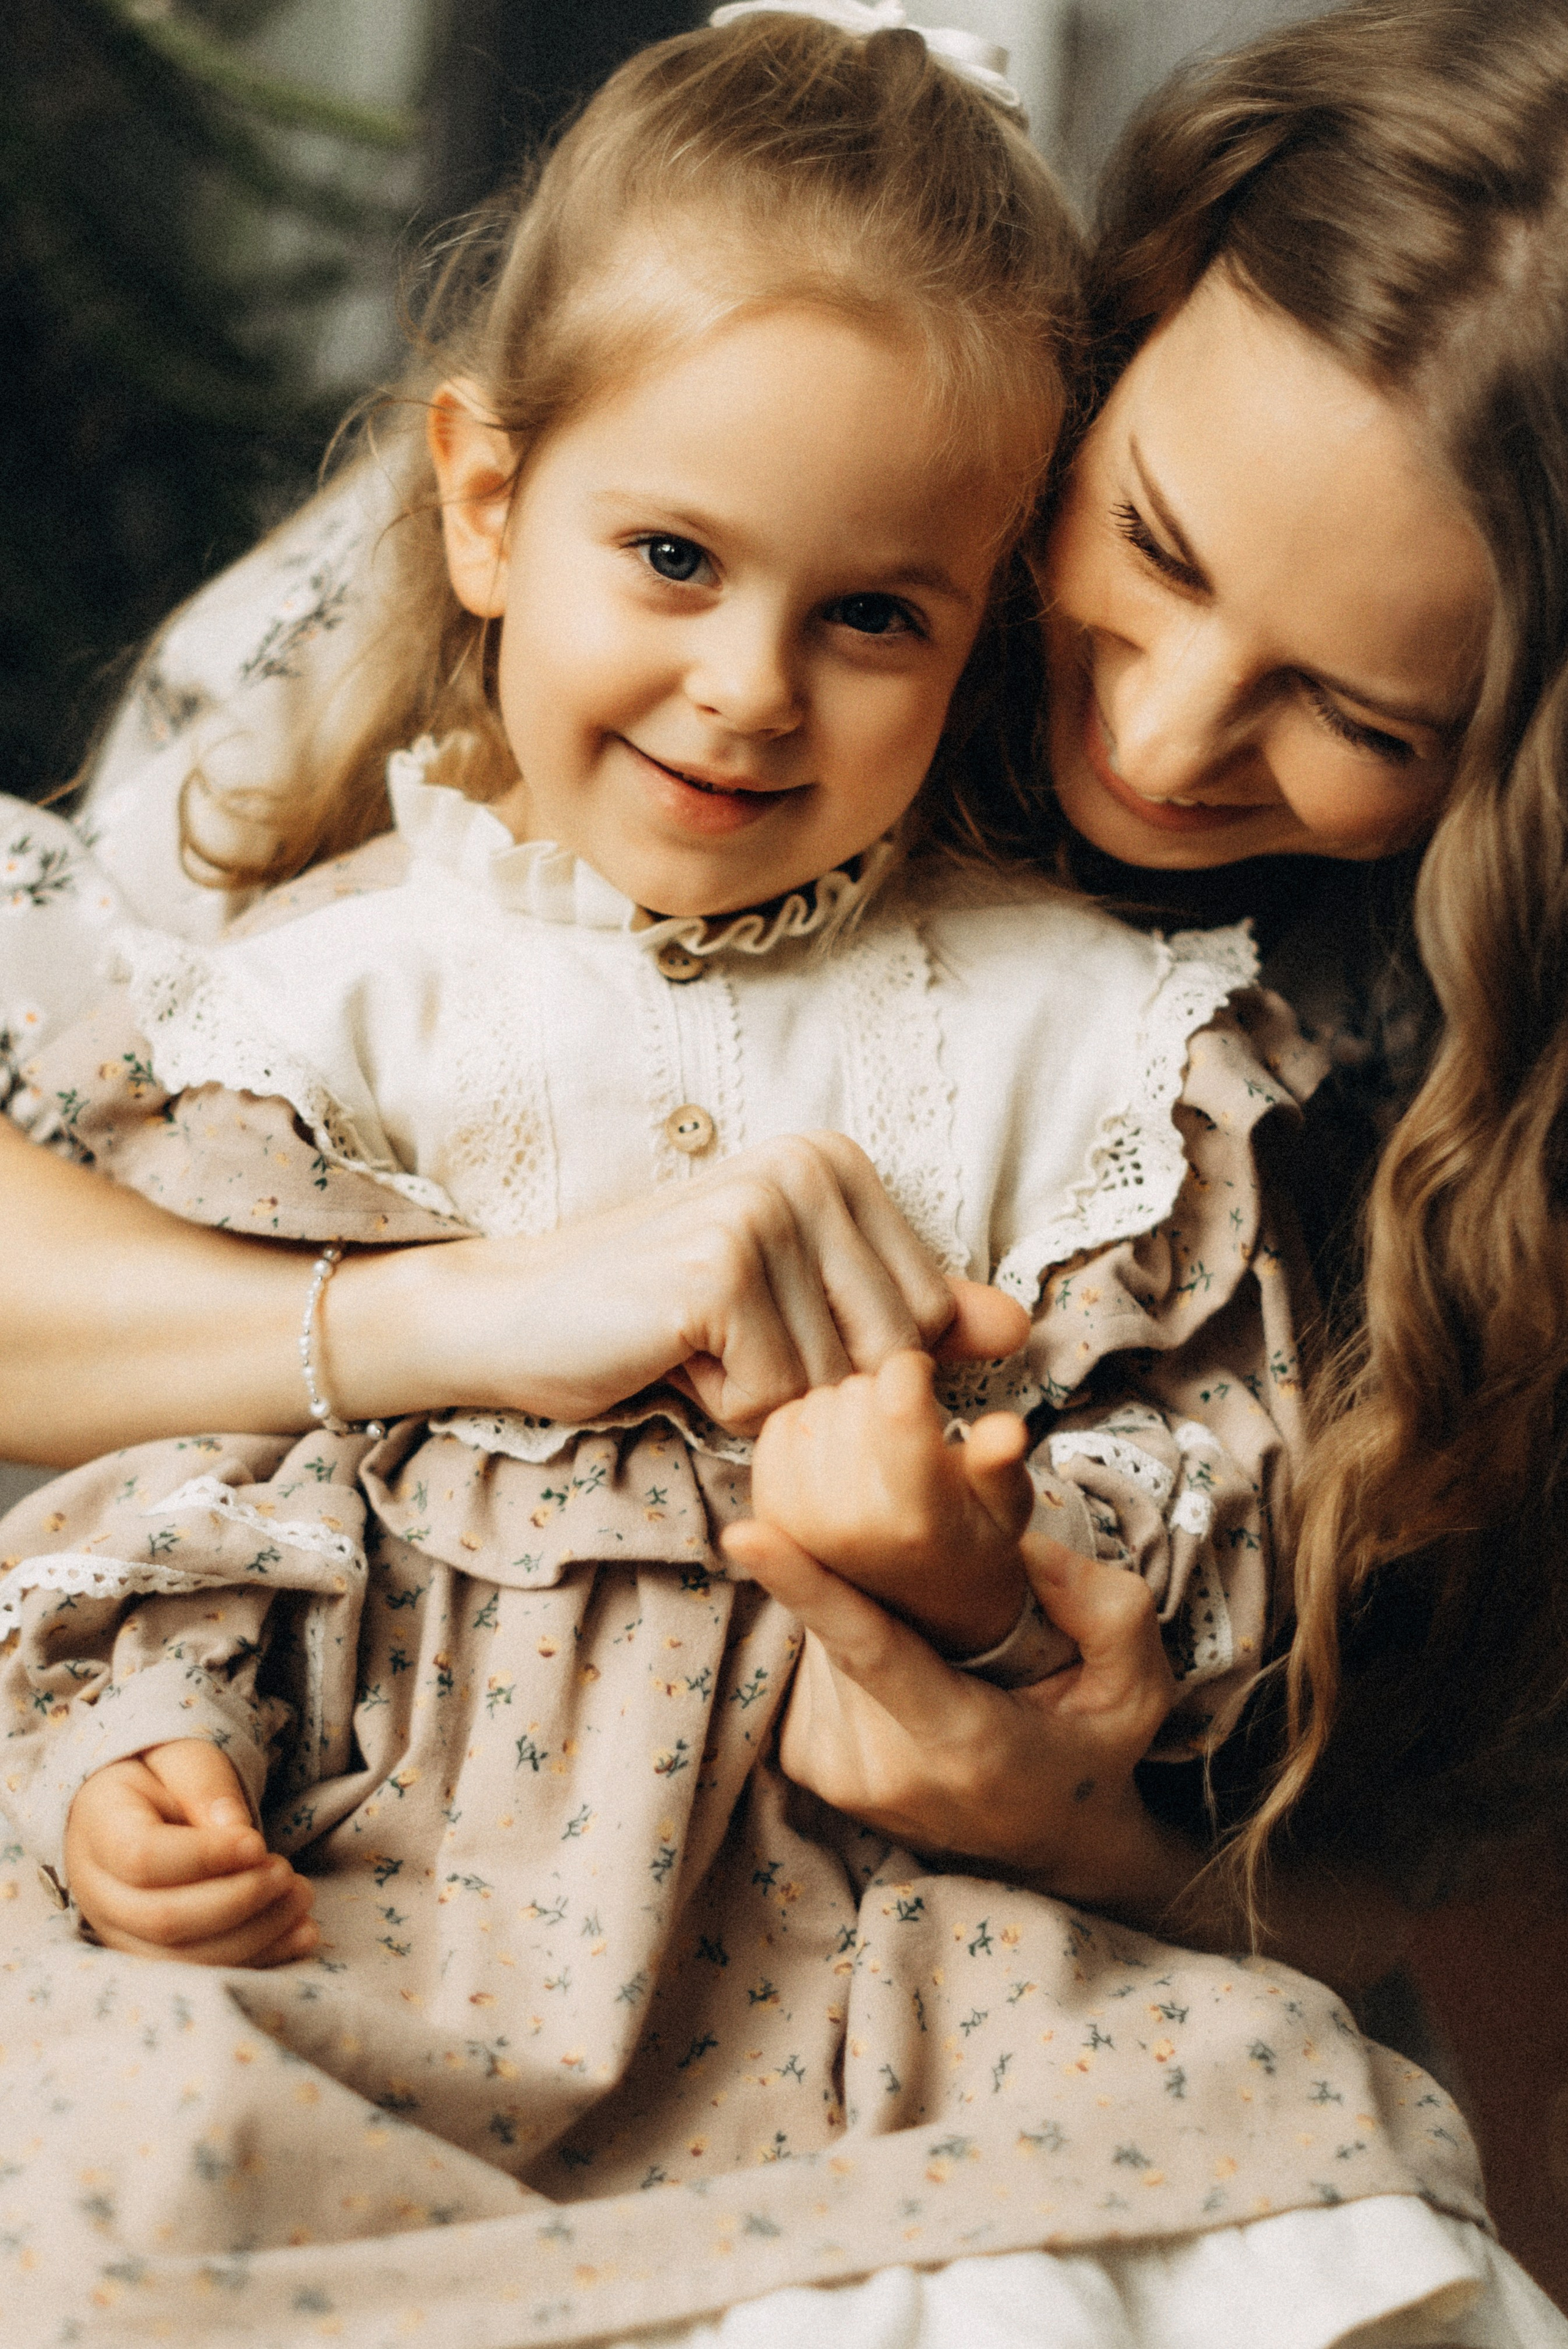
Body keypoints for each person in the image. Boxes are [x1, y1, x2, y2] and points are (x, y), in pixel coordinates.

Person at [0, 6, 1559, 2345]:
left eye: (1359, 719)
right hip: (386, 1865)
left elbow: (1382, 1867)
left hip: (956, 1974)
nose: (1153, 736)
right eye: (1139, 546)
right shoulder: (667, 493)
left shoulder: (1281, 1079)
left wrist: (1060, 1774)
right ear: (1076, 371)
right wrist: (462, 1316)